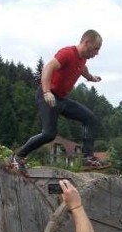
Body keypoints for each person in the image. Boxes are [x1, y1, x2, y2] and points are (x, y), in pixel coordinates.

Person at [9, 30, 109, 175]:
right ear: (86, 43)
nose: (97, 53)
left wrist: (91, 77)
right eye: (96, 49)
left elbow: (82, 68)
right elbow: (48, 68)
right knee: (49, 134)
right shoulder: (67, 53)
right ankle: (17, 157)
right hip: (48, 97)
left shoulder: (82, 58)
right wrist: (46, 91)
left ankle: (88, 158)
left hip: (61, 99)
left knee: (90, 119)